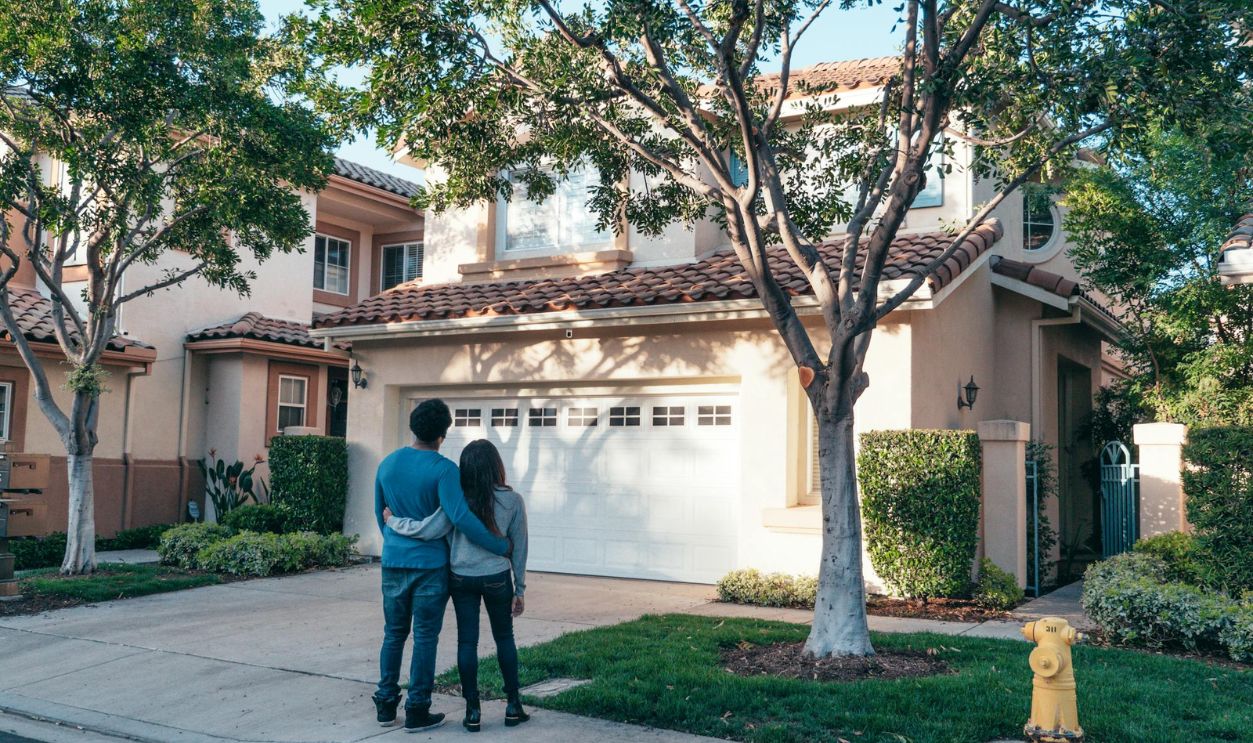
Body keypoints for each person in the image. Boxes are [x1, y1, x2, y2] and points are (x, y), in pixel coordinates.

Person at [373, 400, 511, 733]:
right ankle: (418, 709)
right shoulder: (444, 470)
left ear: (413, 427)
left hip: (393, 562)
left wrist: (397, 545)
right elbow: (461, 518)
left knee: (393, 635)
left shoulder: (387, 465)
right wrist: (499, 545)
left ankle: (386, 704)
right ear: (443, 433)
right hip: (431, 567)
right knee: (424, 638)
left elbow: (381, 515)